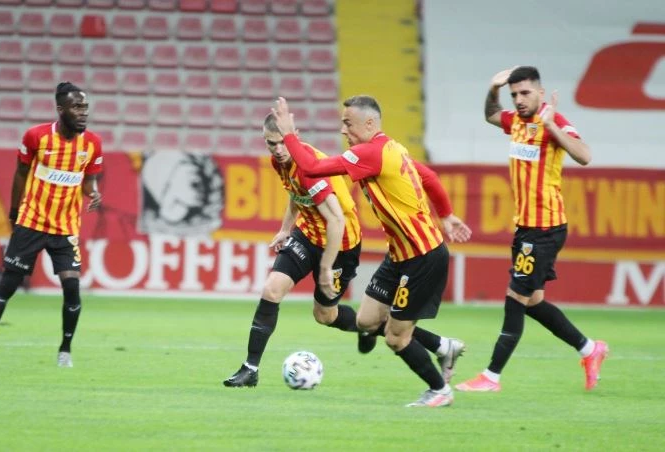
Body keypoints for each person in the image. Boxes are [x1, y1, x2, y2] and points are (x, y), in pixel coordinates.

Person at [271, 95, 472, 407]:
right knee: (365, 321)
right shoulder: (393, 149)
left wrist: (288, 135)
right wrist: (445, 214)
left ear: (369, 124)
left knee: (396, 338)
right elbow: (429, 177)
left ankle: (439, 390)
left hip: (422, 257)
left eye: (348, 123)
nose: (343, 130)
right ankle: (443, 347)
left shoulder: (372, 153)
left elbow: (311, 167)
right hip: (399, 256)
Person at [456, 66, 608, 392]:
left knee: (515, 297)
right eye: (514, 95)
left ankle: (491, 377)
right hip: (526, 228)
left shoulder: (554, 121)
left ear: (540, 92)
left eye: (525, 93)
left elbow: (585, 155)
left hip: (545, 227)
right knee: (533, 301)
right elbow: (491, 115)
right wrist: (493, 89)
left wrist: (552, 126)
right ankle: (589, 349)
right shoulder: (516, 121)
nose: (519, 100)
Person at [223, 114, 363, 387]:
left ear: (294, 136)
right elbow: (295, 193)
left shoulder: (310, 168)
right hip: (307, 233)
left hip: (340, 244)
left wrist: (326, 267)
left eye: (281, 142)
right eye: (270, 143)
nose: (277, 149)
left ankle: (369, 325)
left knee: (325, 316)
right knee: (271, 290)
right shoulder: (279, 162)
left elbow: (337, 221)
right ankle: (250, 369)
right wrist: (285, 229)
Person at [0, 82, 103, 368]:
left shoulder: (92, 143)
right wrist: (14, 212)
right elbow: (20, 174)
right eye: (77, 107)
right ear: (60, 109)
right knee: (6, 287)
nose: (83, 112)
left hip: (65, 228)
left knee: (72, 288)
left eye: (85, 107)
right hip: (31, 223)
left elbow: (88, 180)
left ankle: (65, 351)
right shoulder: (36, 136)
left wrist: (93, 193)